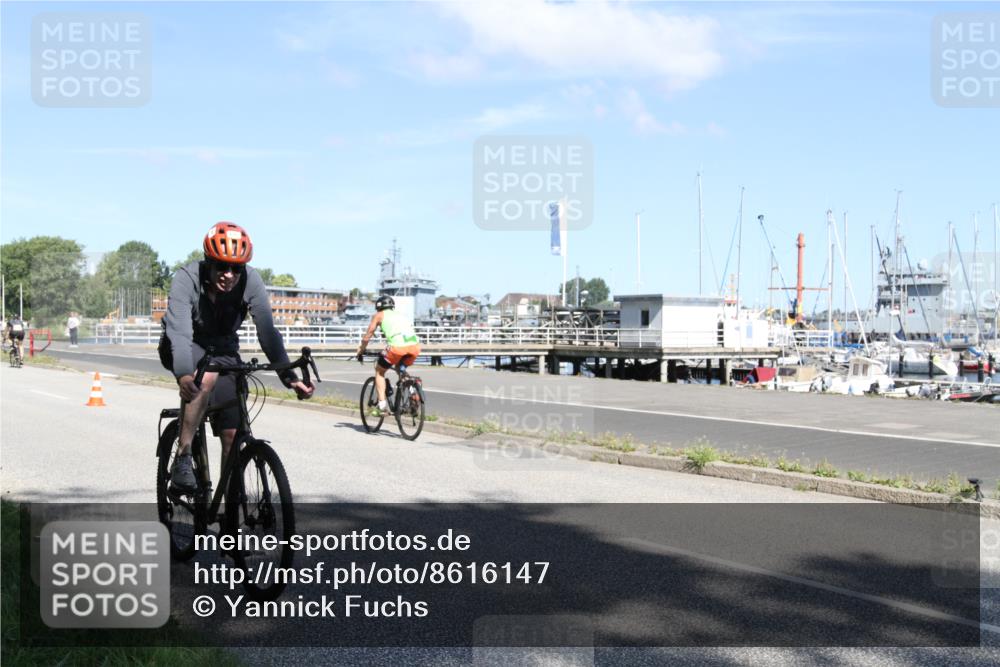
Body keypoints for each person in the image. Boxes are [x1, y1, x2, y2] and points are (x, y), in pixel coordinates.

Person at [159, 222, 314, 492]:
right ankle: (183, 456)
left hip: (223, 348)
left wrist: (289, 376)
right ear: (208, 261)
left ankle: (227, 514)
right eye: (221, 266)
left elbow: (267, 331)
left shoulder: (251, 280)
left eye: (236, 268)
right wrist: (184, 373)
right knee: (203, 378)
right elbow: (180, 333)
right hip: (184, 345)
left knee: (232, 435)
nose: (229, 274)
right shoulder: (186, 278)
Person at [356, 295, 421, 415]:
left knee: (379, 371)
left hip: (397, 348)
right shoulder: (401, 315)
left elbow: (368, 334)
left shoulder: (379, 315)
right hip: (415, 347)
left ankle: (382, 405)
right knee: (400, 368)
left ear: (379, 307)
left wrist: (361, 349)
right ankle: (412, 393)